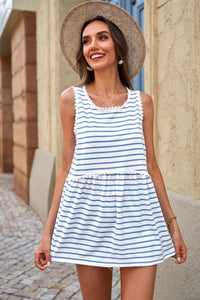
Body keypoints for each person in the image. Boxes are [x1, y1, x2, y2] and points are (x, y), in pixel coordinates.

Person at [35, 2, 187, 299]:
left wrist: (173, 226)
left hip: (139, 218)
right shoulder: (71, 99)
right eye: (86, 40)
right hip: (87, 218)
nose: (93, 45)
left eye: (102, 37)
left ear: (118, 47)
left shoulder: (143, 102)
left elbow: (151, 165)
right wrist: (46, 234)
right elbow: (66, 167)